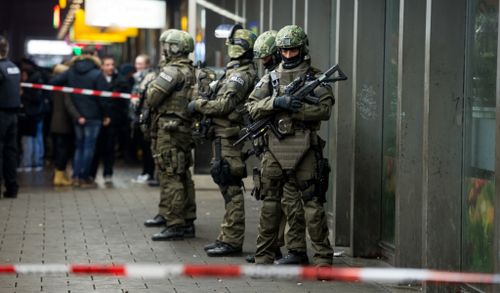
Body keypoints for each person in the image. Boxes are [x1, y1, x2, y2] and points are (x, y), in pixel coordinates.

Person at [246, 25, 334, 266]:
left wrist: (300, 110)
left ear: (302, 49)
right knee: (270, 202)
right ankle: (264, 254)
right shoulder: (271, 77)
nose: (287, 56)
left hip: (305, 146)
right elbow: (252, 107)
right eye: (283, 51)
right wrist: (277, 102)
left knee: (312, 204)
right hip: (274, 147)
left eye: (292, 51)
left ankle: (323, 259)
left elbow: (325, 109)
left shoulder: (315, 78)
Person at [188, 25, 257, 256]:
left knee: (231, 187)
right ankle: (227, 236)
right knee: (225, 184)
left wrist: (198, 105)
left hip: (229, 136)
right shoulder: (235, 72)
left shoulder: (240, 75)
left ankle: (232, 240)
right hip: (222, 135)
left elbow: (225, 106)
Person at [143, 29, 197, 241]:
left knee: (171, 174)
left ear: (174, 48)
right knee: (182, 174)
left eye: (167, 45)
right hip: (181, 128)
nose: (164, 49)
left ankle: (175, 223)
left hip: (170, 130)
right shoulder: (190, 70)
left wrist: (149, 85)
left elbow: (153, 97)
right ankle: (181, 217)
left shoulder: (172, 72)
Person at [245, 30, 284, 263]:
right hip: (269, 142)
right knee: (270, 197)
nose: (263, 62)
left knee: (288, 201)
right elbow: (253, 105)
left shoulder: (287, 76)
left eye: (266, 57)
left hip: (289, 145)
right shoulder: (270, 77)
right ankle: (271, 247)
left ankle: (283, 247)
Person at [51, 46, 110, 188]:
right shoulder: (97, 74)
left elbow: (54, 82)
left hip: (77, 116)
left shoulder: (71, 71)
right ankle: (84, 177)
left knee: (79, 147)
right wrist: (106, 114)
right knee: (89, 147)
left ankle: (76, 176)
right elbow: (103, 98)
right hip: (94, 116)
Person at [90, 56, 130, 183]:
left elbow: (121, 100)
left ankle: (108, 173)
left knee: (110, 147)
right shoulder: (96, 79)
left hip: (114, 119)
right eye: (107, 65)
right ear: (102, 66)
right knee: (96, 148)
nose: (110, 67)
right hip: (99, 118)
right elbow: (95, 100)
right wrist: (103, 116)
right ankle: (92, 173)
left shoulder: (120, 80)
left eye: (112, 64)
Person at [50, 63, 77, 186]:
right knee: (63, 151)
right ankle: (59, 177)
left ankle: (60, 174)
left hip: (54, 123)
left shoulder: (52, 87)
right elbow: (68, 105)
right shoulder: (64, 88)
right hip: (64, 123)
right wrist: (78, 116)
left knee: (58, 150)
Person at [0, 36, 20, 198]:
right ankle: (12, 187)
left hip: (1, 115)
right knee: (10, 152)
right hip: (13, 116)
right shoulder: (13, 67)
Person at [131, 54, 156, 184]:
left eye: (141, 64)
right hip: (139, 117)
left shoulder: (149, 77)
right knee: (143, 146)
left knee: (147, 147)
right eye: (137, 63)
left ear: (147, 65)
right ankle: (146, 172)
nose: (138, 66)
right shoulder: (138, 77)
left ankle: (148, 173)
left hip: (146, 118)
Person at [18, 59, 45, 172]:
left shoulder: (31, 83)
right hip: (37, 114)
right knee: (37, 139)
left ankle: (28, 163)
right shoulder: (38, 78)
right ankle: (36, 162)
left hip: (31, 114)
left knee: (28, 140)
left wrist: (23, 94)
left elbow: (36, 98)